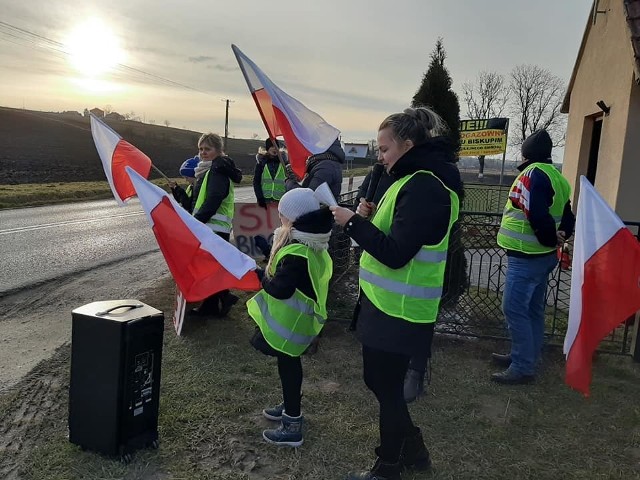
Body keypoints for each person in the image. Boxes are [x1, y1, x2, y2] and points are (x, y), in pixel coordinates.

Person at [331, 107, 463, 480]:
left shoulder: (425, 185)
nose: (380, 156)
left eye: (385, 148)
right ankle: (415, 451)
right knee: (380, 382)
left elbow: (395, 253)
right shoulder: (413, 180)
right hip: (388, 306)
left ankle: (388, 466)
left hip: (400, 311)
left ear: (408, 145)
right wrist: (368, 218)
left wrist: (353, 223)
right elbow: (397, 238)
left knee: (385, 387)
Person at [247, 188, 333, 447]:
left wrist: (260, 276)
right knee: (289, 368)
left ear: (294, 219)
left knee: (289, 367)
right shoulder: (310, 241)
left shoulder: (297, 251)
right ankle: (290, 403)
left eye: (283, 215)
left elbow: (281, 288)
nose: (280, 218)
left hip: (292, 325)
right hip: (300, 322)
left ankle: (292, 422)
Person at [492, 129, 575, 384]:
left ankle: (523, 367)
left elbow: (537, 214)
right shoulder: (556, 176)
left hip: (527, 256)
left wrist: (551, 238)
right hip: (543, 255)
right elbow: (568, 215)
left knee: (514, 309)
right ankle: (526, 355)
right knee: (533, 310)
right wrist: (560, 235)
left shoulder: (531, 175)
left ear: (526, 153)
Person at [190, 132, 243, 317]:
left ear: (218, 151)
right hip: (211, 227)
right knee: (212, 267)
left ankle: (217, 302)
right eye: (201, 149)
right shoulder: (209, 169)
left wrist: (196, 223)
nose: (203, 152)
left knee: (210, 268)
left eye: (207, 149)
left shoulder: (217, 170)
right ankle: (218, 301)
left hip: (213, 227)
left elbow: (213, 198)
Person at [253, 138, 286, 208]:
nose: (274, 148)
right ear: (268, 148)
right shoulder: (261, 163)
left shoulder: (284, 163)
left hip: (281, 201)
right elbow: (256, 182)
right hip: (265, 200)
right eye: (272, 146)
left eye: (276, 146)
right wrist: (260, 198)